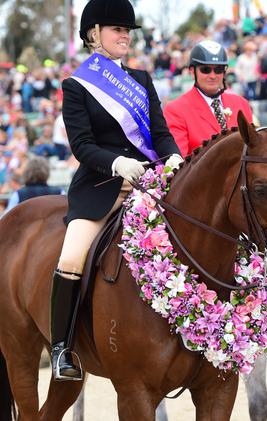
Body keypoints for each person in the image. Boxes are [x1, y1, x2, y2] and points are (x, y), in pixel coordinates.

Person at [50, 0, 183, 381]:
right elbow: (82, 144)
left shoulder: (141, 81)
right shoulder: (76, 84)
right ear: (94, 34)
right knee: (72, 257)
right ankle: (62, 349)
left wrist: (173, 160)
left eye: (127, 30)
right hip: (101, 187)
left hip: (151, 185)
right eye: (116, 29)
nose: (125, 35)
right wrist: (115, 162)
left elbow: (160, 133)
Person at [163, 40, 253, 157]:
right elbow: (180, 164)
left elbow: (253, 149)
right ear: (192, 71)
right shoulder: (175, 110)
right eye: (205, 69)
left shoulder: (242, 104)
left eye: (218, 69)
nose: (212, 75)